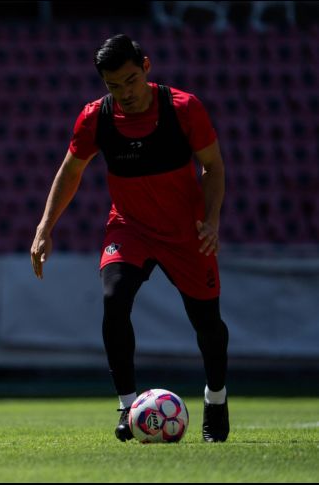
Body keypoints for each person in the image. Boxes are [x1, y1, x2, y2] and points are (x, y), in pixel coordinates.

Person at [30, 34, 230, 443]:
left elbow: (212, 167)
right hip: (129, 228)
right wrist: (44, 227)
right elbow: (71, 171)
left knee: (207, 323)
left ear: (147, 68)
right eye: (113, 86)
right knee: (113, 299)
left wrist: (211, 220)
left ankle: (216, 399)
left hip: (186, 232)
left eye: (131, 80)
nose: (125, 93)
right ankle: (127, 406)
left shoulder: (184, 108)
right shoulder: (96, 117)